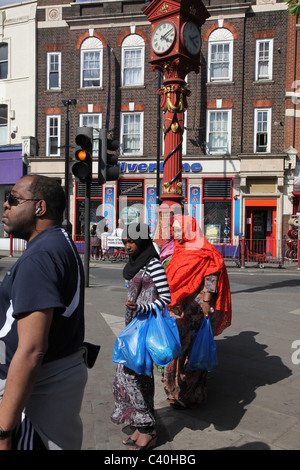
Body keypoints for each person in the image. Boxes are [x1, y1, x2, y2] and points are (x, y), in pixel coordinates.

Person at [0, 175, 89, 450]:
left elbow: (31, 351)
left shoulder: (39, 258)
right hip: (53, 388)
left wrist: (4, 433)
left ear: (39, 208)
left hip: (33, 405)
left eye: (13, 199)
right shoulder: (59, 241)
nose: (5, 205)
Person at [111, 222, 171, 450]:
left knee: (136, 377)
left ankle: (147, 428)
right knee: (129, 376)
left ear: (143, 241)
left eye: (131, 242)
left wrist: (142, 307)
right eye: (125, 242)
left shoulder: (153, 264)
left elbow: (166, 298)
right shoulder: (133, 264)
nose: (127, 246)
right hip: (132, 326)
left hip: (146, 327)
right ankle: (140, 423)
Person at [162, 215, 232, 410]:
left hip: (195, 311)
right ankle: (174, 390)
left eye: (178, 229)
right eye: (174, 229)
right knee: (176, 349)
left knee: (191, 350)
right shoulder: (179, 250)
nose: (175, 233)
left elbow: (212, 277)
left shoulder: (205, 251)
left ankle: (190, 392)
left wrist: (207, 303)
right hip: (178, 309)